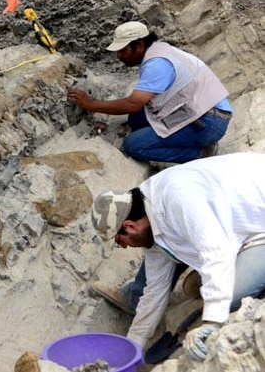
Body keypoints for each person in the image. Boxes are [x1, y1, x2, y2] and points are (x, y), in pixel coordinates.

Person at [90, 153, 265, 361]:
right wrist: (132, 349)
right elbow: (155, 291)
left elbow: (217, 251)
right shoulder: (147, 214)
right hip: (231, 222)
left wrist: (211, 322)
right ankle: (208, 278)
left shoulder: (177, 199)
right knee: (208, 278)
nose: (125, 247)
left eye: (120, 242)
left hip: (257, 222)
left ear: (129, 226)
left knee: (233, 295)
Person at [67, 21, 232, 164]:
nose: (118, 56)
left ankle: (200, 154)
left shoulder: (157, 63)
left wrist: (91, 104)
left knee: (134, 146)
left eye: (123, 51)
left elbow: (133, 103)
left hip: (208, 122)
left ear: (138, 46)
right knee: (136, 118)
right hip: (202, 111)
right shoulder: (159, 50)